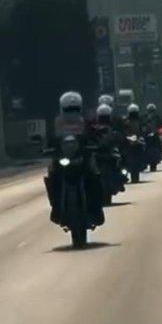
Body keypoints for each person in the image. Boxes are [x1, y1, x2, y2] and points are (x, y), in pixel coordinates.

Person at [46, 91, 105, 225]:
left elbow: (93, 134)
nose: (71, 113)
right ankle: (56, 208)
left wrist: (95, 143)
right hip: (63, 157)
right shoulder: (56, 123)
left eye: (74, 109)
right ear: (62, 109)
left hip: (82, 155)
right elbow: (51, 139)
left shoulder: (85, 121)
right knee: (52, 175)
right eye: (68, 110)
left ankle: (97, 209)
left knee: (95, 174)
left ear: (80, 108)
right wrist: (48, 148)